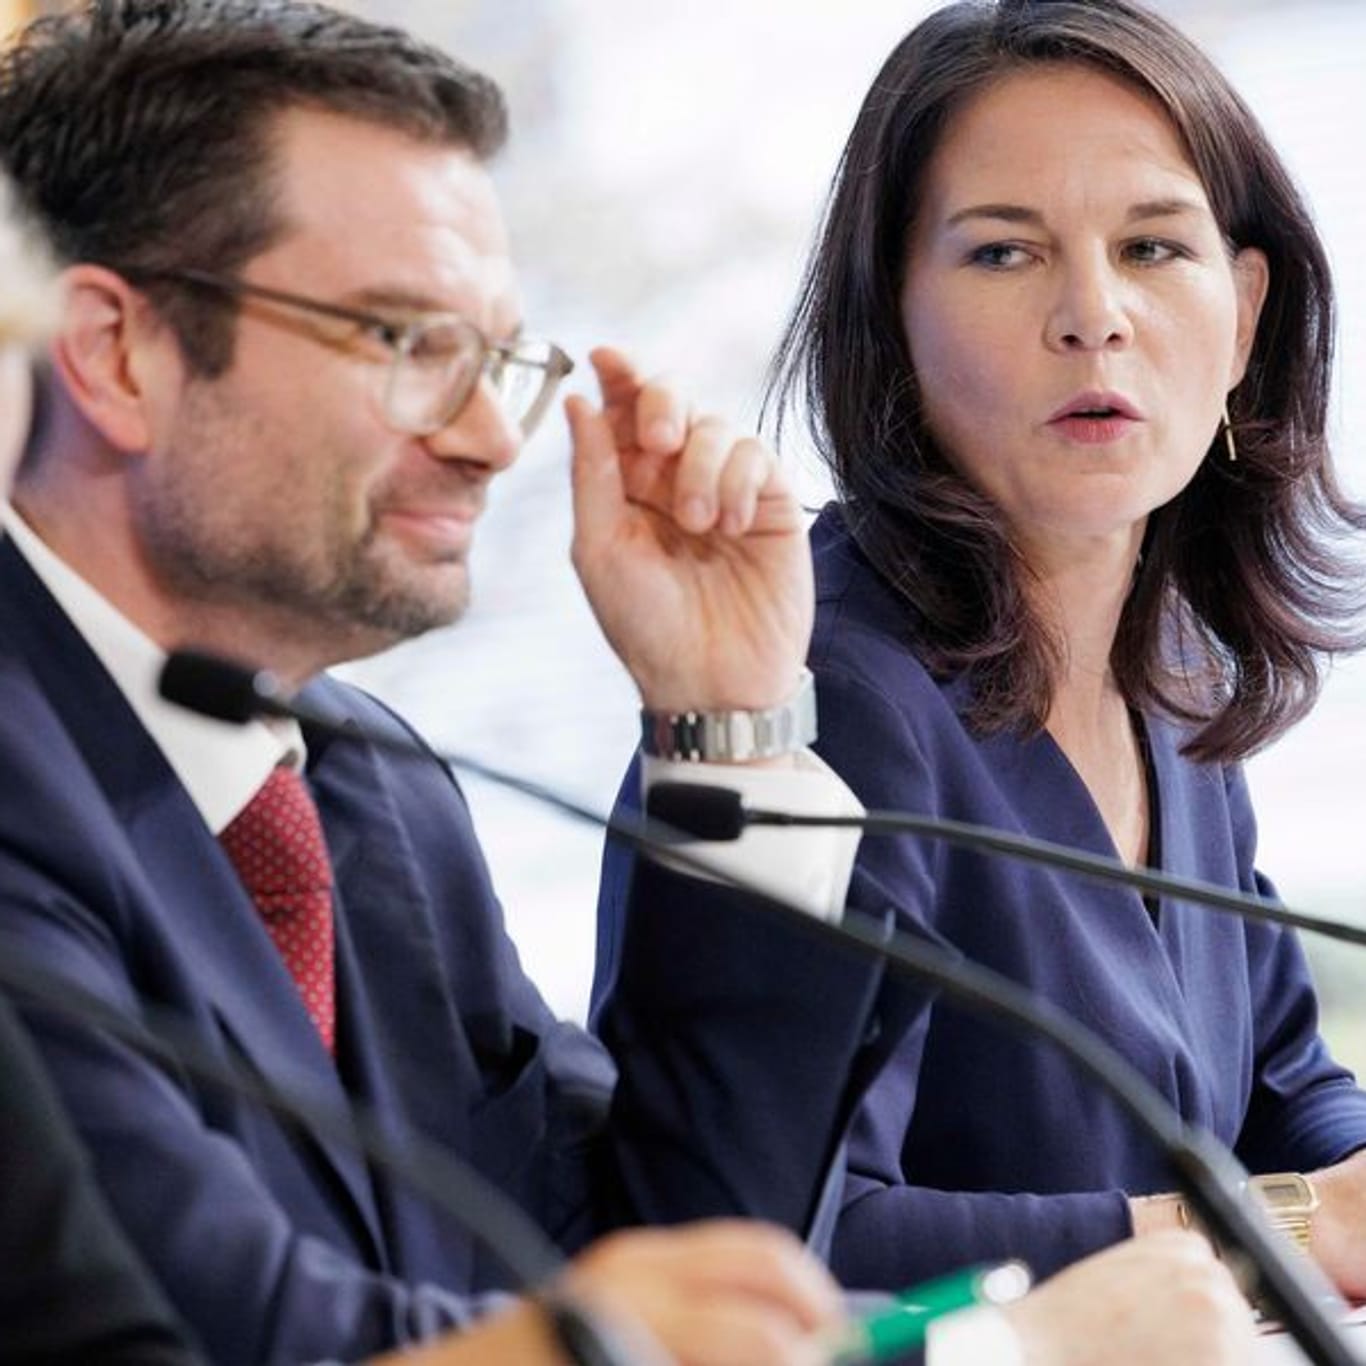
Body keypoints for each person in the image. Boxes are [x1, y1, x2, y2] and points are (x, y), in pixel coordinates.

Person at [595, 0, 1366, 1298]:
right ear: (890, 314)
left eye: (1152, 245)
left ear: (1240, 318)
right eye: (1003, 254)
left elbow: (1284, 1083)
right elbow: (799, 1240)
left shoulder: (1162, 655)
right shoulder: (830, 688)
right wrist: (1279, 1229)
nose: (1092, 314)